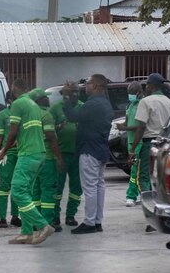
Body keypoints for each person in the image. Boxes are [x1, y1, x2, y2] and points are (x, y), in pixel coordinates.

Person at [0, 79, 56, 246]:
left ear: (14, 90)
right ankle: (26, 233)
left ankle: (43, 226)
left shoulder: (18, 104)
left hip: (28, 154)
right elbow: (24, 132)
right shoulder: (33, 105)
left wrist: (3, 151)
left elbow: (13, 132)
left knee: (17, 192)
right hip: (39, 153)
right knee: (26, 192)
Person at [62, 74, 114, 234]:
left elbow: (72, 116)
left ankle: (89, 222)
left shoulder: (92, 104)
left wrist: (66, 97)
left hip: (89, 149)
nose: (86, 85)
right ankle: (97, 221)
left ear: (96, 86)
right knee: (99, 186)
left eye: (89, 83)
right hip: (101, 149)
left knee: (90, 187)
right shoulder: (105, 103)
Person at [129, 73, 170, 198]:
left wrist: (133, 149)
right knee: (162, 174)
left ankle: (148, 200)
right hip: (166, 143)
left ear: (151, 86)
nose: (146, 88)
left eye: (147, 85)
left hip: (150, 143)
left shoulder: (145, 101)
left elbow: (141, 127)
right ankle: (161, 198)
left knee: (144, 175)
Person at [29, 89, 65, 230]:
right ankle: (47, 223)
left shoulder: (28, 115)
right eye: (45, 97)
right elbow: (51, 137)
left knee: (35, 192)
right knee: (48, 191)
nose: (48, 100)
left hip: (32, 159)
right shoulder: (46, 115)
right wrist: (59, 158)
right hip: (47, 159)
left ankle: (36, 222)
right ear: (39, 100)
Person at [49, 82, 83, 226]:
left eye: (77, 91)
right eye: (71, 92)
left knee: (76, 187)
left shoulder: (83, 107)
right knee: (58, 186)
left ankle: (71, 215)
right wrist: (59, 127)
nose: (75, 94)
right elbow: (49, 132)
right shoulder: (55, 108)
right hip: (61, 154)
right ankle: (55, 216)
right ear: (64, 94)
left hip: (78, 154)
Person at [0, 90, 21, 228]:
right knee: (4, 186)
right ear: (10, 100)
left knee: (17, 185)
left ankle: (15, 216)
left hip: (21, 154)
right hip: (6, 155)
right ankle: (2, 218)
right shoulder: (3, 115)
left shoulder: (22, 113)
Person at [117, 81, 143, 206]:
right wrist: (121, 126)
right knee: (137, 170)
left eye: (132, 93)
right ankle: (143, 193)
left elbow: (140, 127)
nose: (130, 95)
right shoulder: (130, 105)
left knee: (134, 170)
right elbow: (127, 122)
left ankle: (131, 196)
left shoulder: (142, 105)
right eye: (129, 93)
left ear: (138, 92)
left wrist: (125, 128)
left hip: (139, 142)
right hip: (130, 142)